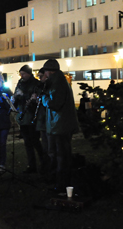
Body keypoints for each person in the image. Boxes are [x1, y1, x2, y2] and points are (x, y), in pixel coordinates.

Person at [40, 59, 79, 193]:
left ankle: (62, 184)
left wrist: (43, 97)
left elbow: (54, 104)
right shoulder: (57, 81)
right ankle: (59, 181)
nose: (43, 74)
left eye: (44, 71)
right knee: (59, 155)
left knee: (61, 156)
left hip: (60, 126)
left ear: (49, 71)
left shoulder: (57, 83)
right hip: (58, 125)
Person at [13, 65, 45, 174]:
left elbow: (36, 97)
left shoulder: (35, 83)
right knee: (27, 142)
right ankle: (32, 166)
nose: (22, 76)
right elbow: (17, 96)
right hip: (23, 116)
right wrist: (15, 97)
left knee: (35, 141)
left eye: (24, 74)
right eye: (21, 74)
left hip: (32, 116)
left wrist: (24, 95)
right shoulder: (20, 82)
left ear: (29, 73)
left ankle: (43, 163)